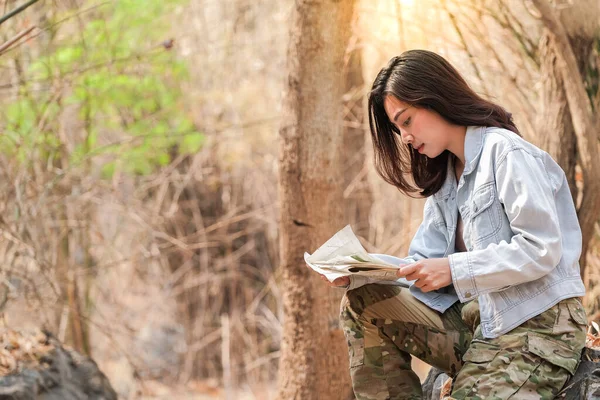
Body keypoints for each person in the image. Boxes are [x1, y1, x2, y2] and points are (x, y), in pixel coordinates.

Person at [329, 50, 588, 400]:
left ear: (435, 98)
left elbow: (541, 248)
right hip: (480, 327)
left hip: (539, 329)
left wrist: (453, 268)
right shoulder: (444, 183)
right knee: (363, 299)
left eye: (406, 121)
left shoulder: (506, 152)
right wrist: (364, 271)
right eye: (397, 128)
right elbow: (422, 268)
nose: (404, 137)